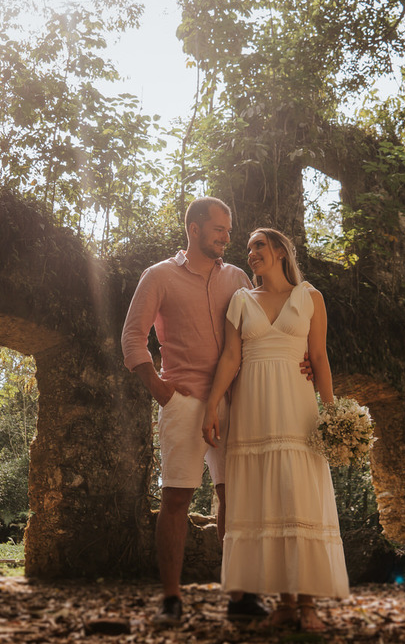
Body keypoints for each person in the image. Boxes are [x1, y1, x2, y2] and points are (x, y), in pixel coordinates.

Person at [120, 197, 271, 626]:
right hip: (183, 401)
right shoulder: (159, 276)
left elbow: (260, 332)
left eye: (229, 229)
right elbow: (133, 338)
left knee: (235, 497)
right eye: (220, 229)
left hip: (233, 400)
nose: (227, 237)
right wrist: (163, 392)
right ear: (194, 228)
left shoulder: (240, 278)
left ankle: (240, 594)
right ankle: (171, 598)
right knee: (177, 498)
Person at [202, 227, 349, 633]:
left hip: (297, 411)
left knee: (298, 495)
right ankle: (284, 605)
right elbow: (231, 357)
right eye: (247, 248)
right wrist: (212, 405)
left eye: (258, 246)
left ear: (281, 251)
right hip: (254, 412)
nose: (251, 254)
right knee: (266, 502)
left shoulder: (310, 298)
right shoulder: (240, 300)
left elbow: (318, 357)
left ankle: (308, 605)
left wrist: (333, 415)